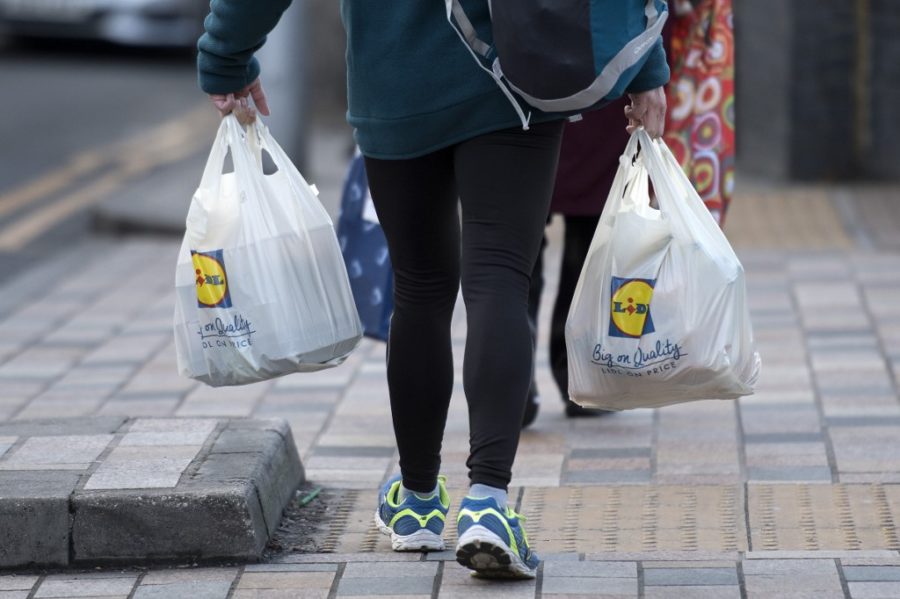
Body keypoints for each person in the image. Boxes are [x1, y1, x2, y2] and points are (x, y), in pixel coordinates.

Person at [197, 0, 668, 579]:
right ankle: (488, 505)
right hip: (513, 75)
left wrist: (225, 54)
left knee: (420, 286)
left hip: (393, 78)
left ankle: (418, 502)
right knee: (499, 278)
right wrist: (644, 66)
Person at [523, 0, 733, 428]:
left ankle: (521, 380)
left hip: (534, 43)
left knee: (528, 233)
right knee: (594, 225)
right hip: (605, 41)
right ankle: (577, 371)